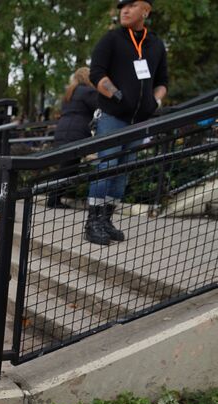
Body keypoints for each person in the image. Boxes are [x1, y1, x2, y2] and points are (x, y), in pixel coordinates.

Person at [86, 0, 168, 244]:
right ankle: (93, 223)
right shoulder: (111, 39)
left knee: (122, 172)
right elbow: (96, 74)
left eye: (132, 5)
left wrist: (156, 102)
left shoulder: (156, 45)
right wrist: (115, 94)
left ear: (146, 10)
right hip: (112, 117)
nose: (125, 9)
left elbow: (162, 81)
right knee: (106, 167)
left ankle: (107, 220)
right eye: (122, 6)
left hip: (139, 122)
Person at [49, 67, 99, 208]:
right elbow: (99, 107)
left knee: (65, 167)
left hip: (63, 131)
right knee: (68, 168)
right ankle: (53, 199)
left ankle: (54, 198)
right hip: (76, 133)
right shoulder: (88, 92)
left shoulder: (69, 93)